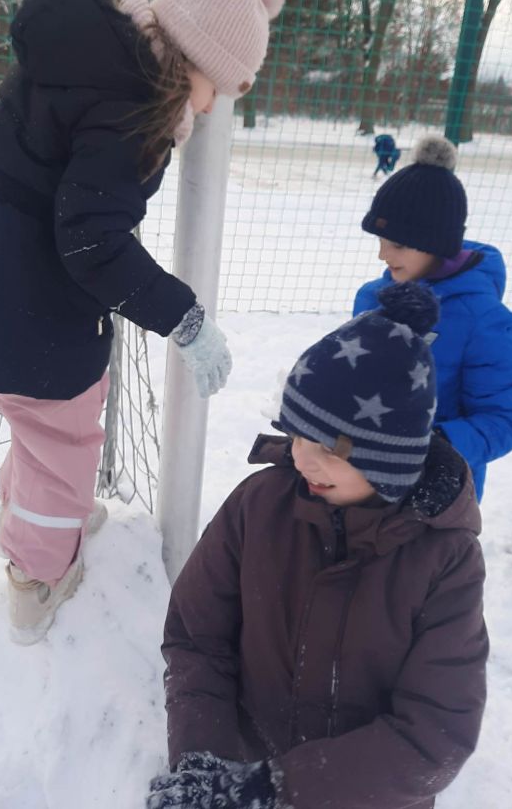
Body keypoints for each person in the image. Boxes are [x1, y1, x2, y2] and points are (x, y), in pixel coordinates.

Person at [0, 0, 286, 644]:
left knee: (42, 429)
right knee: (63, 441)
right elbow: (91, 240)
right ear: (194, 60)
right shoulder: (129, 109)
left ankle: (36, 520)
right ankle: (37, 578)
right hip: (28, 305)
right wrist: (184, 318)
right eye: (217, 89)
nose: (209, 108)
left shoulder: (91, 67)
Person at [147, 282, 488, 809]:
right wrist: (205, 763)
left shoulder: (444, 557)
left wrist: (278, 789)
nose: (304, 459)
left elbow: (435, 734)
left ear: (390, 458)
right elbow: (198, 637)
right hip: (243, 769)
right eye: (298, 433)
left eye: (329, 448)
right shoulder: (258, 507)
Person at [353, 134, 512, 501]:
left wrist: (431, 448)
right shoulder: (372, 297)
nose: (382, 255)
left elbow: (503, 421)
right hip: (363, 480)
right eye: (380, 241)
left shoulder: (482, 320)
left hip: (435, 494)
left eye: (397, 244)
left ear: (436, 243)